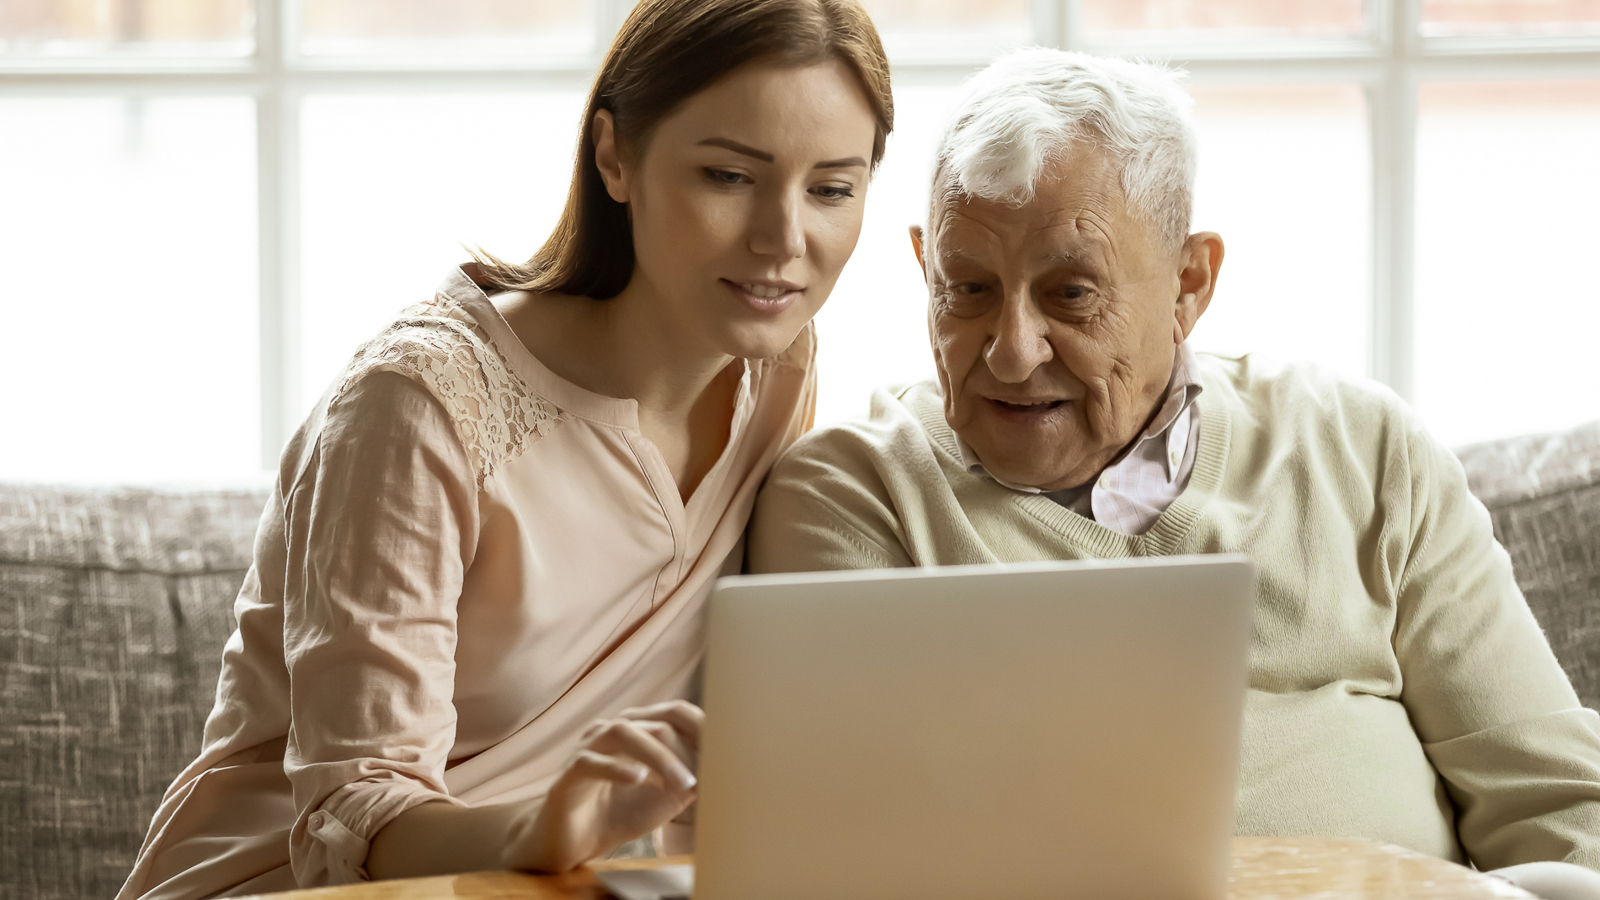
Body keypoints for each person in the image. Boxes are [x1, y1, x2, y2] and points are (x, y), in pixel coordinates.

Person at [747, 47, 1600, 875]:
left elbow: (1559, 806)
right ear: (924, 267)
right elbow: (858, 853)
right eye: (968, 289)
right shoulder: (855, 497)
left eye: (1071, 293)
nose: (1011, 351)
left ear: (1189, 283)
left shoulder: (1364, 447)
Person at [117, 1, 891, 896]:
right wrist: (544, 827)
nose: (784, 240)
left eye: (832, 190)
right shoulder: (416, 406)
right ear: (614, 156)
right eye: (728, 176)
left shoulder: (777, 368)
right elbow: (353, 813)